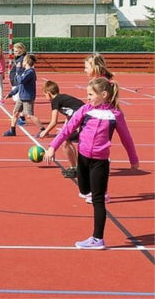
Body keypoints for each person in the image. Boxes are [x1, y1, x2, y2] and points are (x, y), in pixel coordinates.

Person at [43, 77, 139, 250]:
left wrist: (133, 159)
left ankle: (97, 239)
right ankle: (88, 191)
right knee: (83, 189)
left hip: (100, 162)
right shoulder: (85, 110)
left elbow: (127, 138)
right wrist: (52, 147)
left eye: (90, 95)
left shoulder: (115, 114)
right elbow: (68, 129)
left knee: (98, 199)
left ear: (103, 94)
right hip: (83, 158)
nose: (87, 98)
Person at [38, 80, 85, 178]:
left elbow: (54, 121)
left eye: (44, 94)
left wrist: (45, 131)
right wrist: (64, 129)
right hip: (86, 120)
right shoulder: (63, 98)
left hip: (85, 122)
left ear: (49, 93)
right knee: (67, 140)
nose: (45, 97)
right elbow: (69, 115)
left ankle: (74, 168)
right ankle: (77, 167)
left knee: (65, 142)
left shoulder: (55, 100)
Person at [2, 54, 44, 136]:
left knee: (29, 115)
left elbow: (20, 80)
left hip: (28, 97)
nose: (21, 63)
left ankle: (43, 129)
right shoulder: (25, 72)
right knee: (15, 112)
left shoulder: (30, 72)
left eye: (23, 61)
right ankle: (12, 130)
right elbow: (20, 86)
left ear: (26, 62)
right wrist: (11, 93)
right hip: (21, 97)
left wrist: (17, 71)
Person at [9, 43, 28, 125]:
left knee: (18, 100)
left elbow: (24, 70)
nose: (15, 52)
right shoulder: (17, 58)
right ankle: (21, 116)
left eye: (16, 50)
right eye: (14, 50)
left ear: (21, 50)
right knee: (16, 100)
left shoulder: (23, 59)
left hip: (18, 82)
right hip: (15, 81)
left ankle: (22, 117)